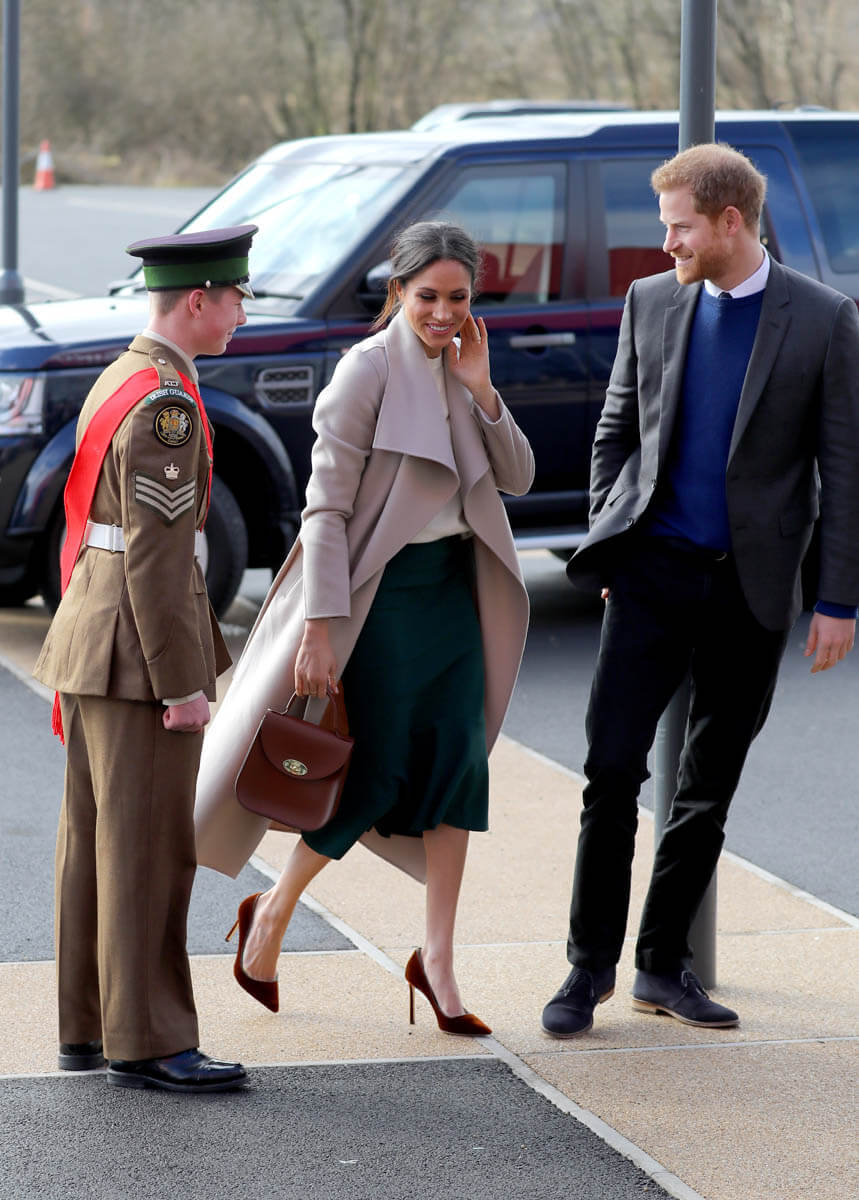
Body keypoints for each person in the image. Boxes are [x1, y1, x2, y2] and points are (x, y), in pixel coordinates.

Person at [541, 143, 859, 1038]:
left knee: (705, 788)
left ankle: (660, 964)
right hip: (648, 577)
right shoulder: (650, 301)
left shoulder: (823, 318)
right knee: (610, 772)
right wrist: (609, 544)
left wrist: (837, 601)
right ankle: (587, 968)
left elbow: (844, 468)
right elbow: (615, 432)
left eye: (678, 227)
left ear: (728, 221)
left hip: (750, 591)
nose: (666, 243)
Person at [194, 220, 534, 1034]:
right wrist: (320, 625)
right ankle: (273, 909)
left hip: (452, 595)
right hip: (377, 602)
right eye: (428, 297)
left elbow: (517, 477)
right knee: (374, 776)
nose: (444, 313)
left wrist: (483, 391)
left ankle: (438, 960)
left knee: (458, 767)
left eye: (459, 297)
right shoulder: (366, 370)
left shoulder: (462, 367)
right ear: (398, 290)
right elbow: (325, 510)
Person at [33, 226, 258, 1091]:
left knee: (95, 847)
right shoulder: (168, 405)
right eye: (235, 299)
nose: (241, 315)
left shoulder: (123, 373)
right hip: (137, 655)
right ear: (198, 299)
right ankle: (153, 1040)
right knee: (150, 854)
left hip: (95, 639)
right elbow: (159, 562)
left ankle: (88, 1027)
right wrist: (182, 687)